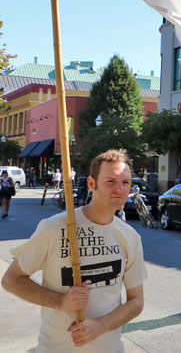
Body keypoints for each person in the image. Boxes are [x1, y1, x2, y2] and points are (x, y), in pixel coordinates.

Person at [2, 149, 146, 351]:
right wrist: (61, 301)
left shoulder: (130, 237)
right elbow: (11, 280)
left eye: (125, 182)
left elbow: (136, 302)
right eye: (110, 181)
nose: (120, 189)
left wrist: (101, 325)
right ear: (91, 184)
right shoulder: (54, 228)